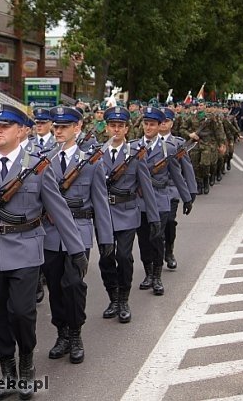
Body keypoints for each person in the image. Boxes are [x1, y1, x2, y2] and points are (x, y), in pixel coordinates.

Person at [0, 103, 85, 401]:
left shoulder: (37, 165)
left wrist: (76, 250)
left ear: (21, 131)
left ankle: (26, 365)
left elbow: (58, 209)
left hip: (27, 249)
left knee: (22, 313)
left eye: (4, 126)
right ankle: (8, 373)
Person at [42, 105, 113, 365]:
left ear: (78, 127)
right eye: (56, 126)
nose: (58, 131)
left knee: (73, 285)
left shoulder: (90, 162)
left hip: (80, 232)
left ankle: (75, 333)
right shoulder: (43, 160)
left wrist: (106, 238)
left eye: (64, 127)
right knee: (55, 288)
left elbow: (100, 202)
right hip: (50, 234)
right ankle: (61, 333)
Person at [98, 106, 159, 323]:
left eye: (120, 126)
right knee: (106, 258)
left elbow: (147, 187)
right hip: (103, 215)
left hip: (127, 212)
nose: (116, 129)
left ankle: (124, 299)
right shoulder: (95, 154)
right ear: (106, 128)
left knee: (123, 257)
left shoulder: (135, 155)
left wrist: (154, 218)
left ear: (126, 129)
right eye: (112, 125)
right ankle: (112, 297)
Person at [135, 106, 192, 296]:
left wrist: (187, 197)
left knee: (157, 238)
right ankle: (148, 273)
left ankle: (158, 276)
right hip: (141, 200)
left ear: (160, 126)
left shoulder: (169, 148)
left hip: (160, 199)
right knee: (143, 240)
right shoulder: (134, 147)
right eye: (146, 124)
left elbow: (177, 175)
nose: (149, 127)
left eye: (152, 124)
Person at [158, 108, 197, 270]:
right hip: (152, 191)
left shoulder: (178, 143)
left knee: (169, 222)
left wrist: (190, 193)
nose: (162, 125)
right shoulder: (145, 143)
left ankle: (169, 251)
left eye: (166, 121)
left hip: (171, 190)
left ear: (171, 123)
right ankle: (155, 260)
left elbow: (186, 168)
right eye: (160, 122)